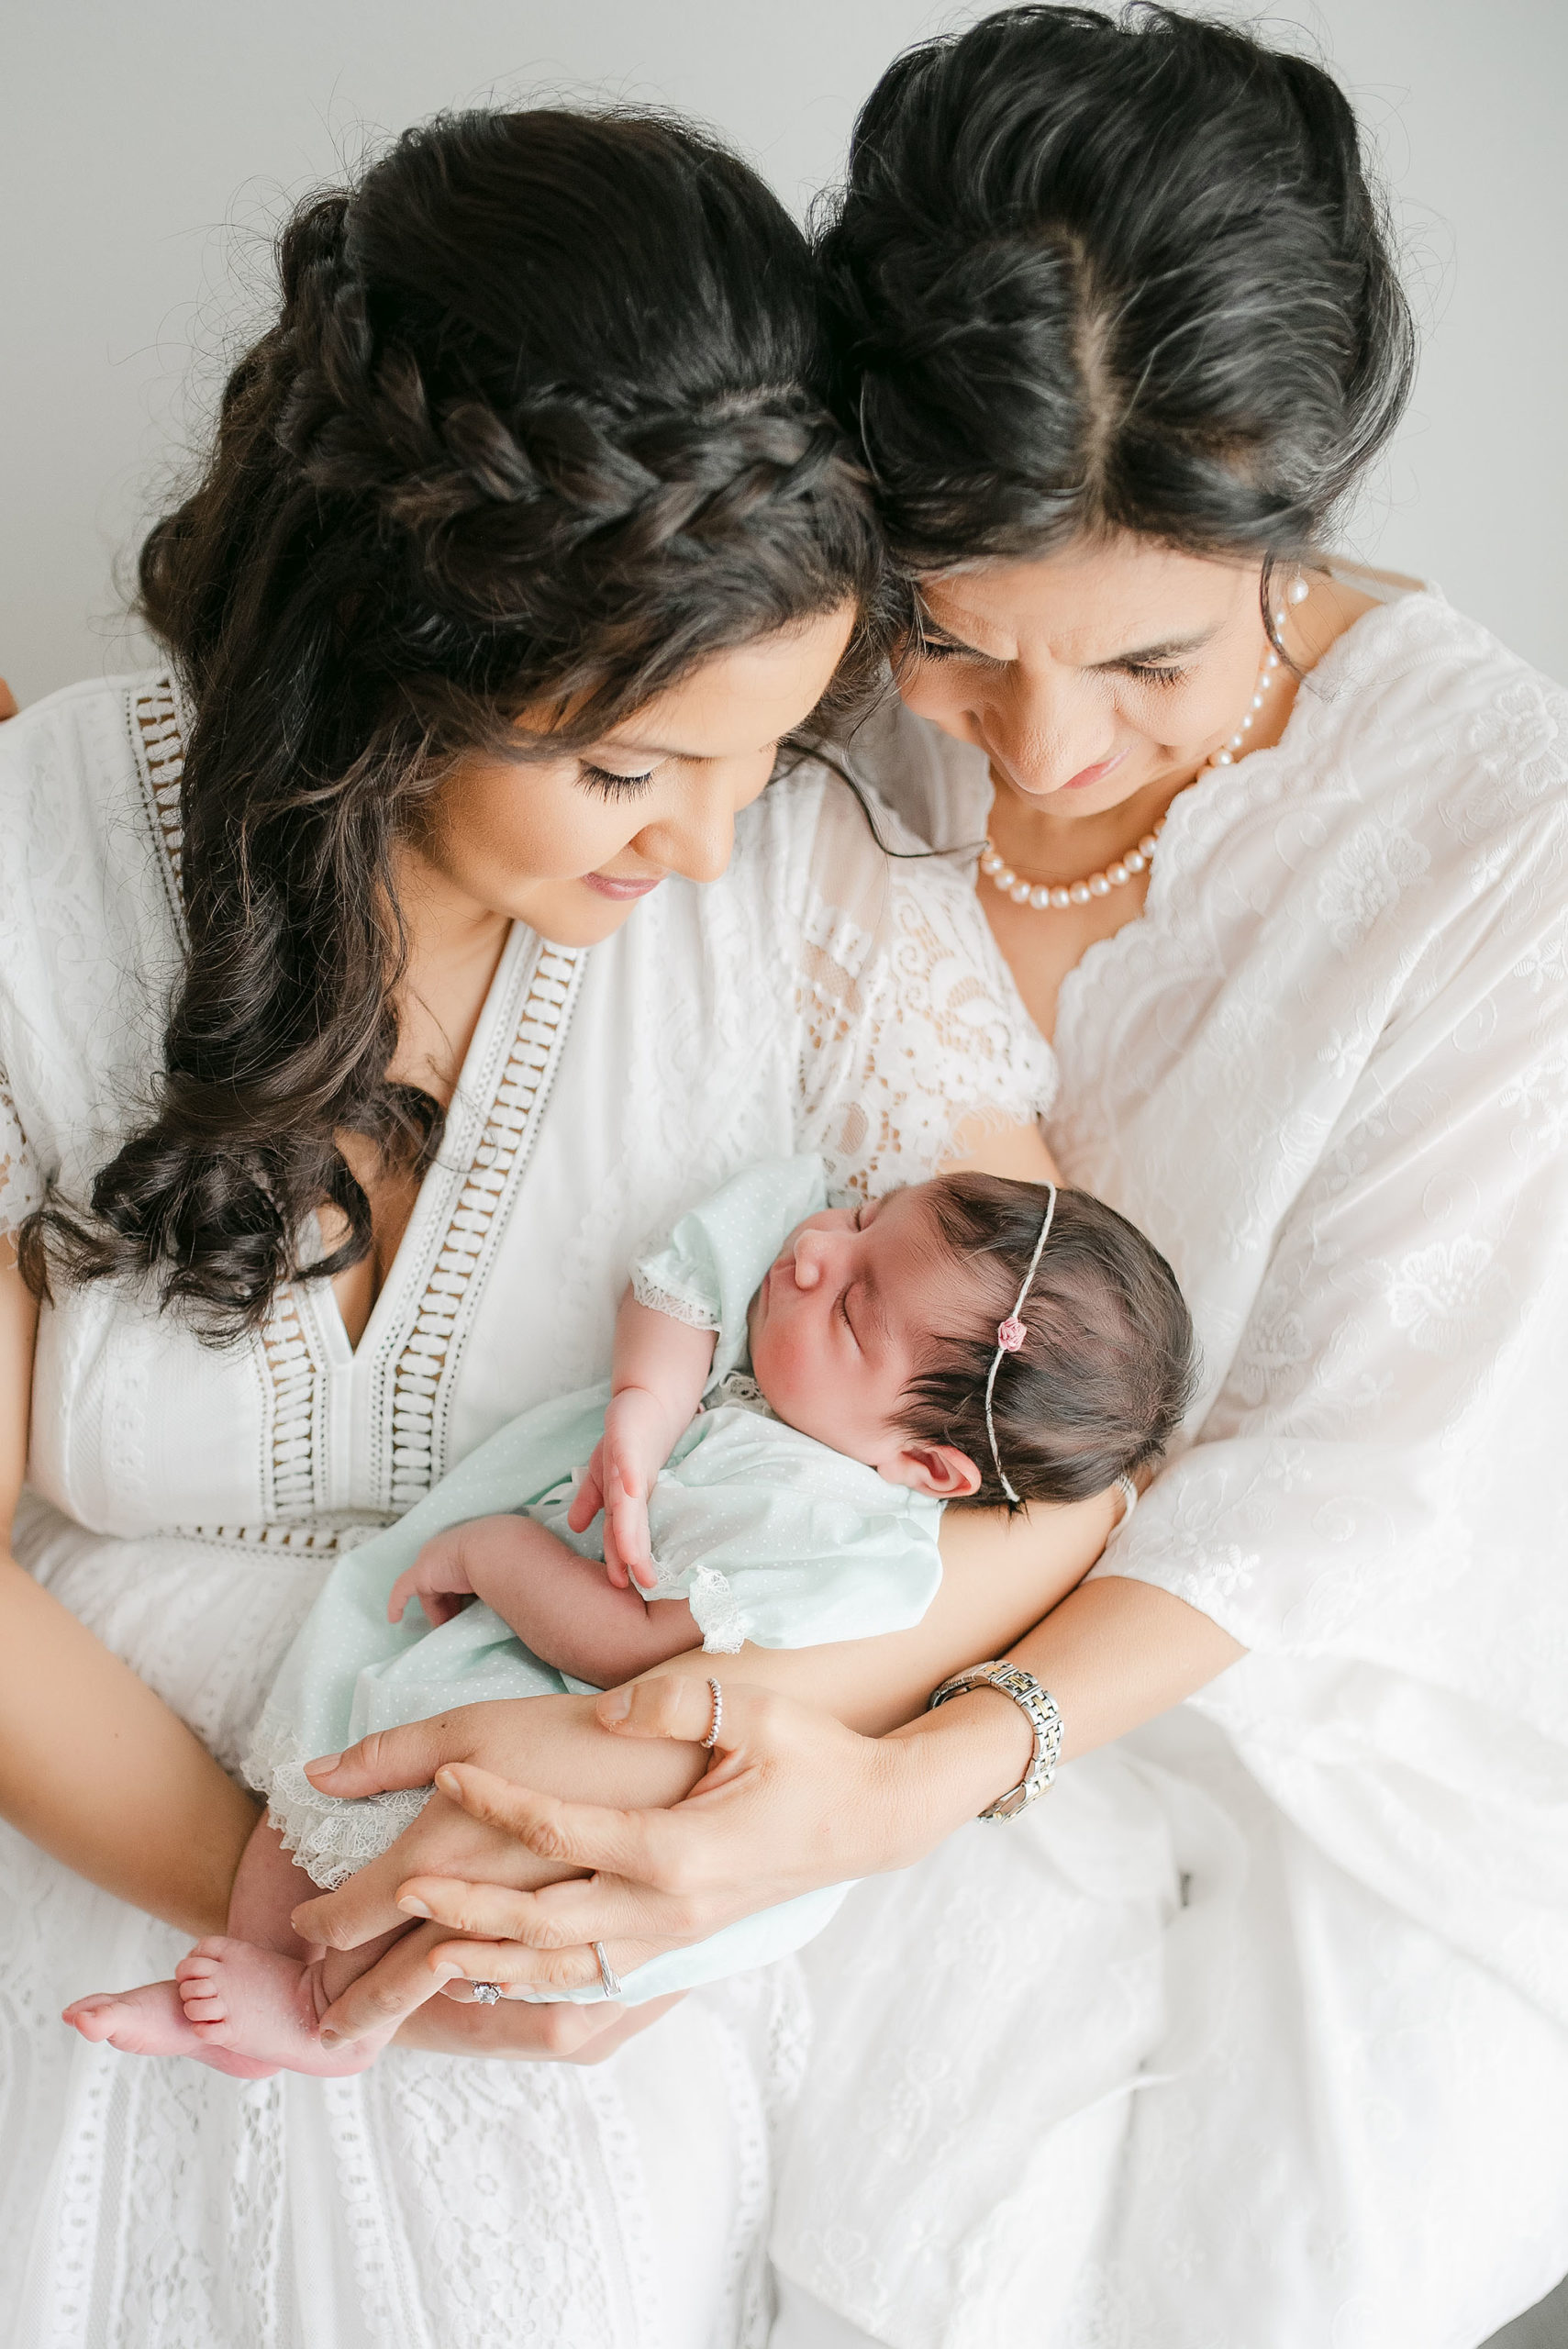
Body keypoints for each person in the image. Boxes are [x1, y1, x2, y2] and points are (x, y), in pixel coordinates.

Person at [289, 15, 1568, 2347]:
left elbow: (1358, 1486)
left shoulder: (1500, 848)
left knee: (1227, 2252)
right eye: (963, 654)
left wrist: (907, 1777)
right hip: (772, 1580)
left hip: (1268, 1684)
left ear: (1304, 510)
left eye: (1157, 659)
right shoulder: (779, 667)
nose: (1049, 751)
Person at [0, 104, 1119, 2347]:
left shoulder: (803, 903)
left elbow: (1045, 1464)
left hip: (608, 1894)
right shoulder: (38, 869)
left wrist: (702, 1789)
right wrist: (322, 1903)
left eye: (764, 745)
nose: (705, 848)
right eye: (627, 768)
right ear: (386, 649)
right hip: (95, 1845)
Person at [62, 1153, 1194, 2076]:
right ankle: (270, 1978)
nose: (811, 1253)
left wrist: (498, 1555)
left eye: (850, 1305)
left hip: (571, 1692)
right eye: (859, 1214)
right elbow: (681, 1287)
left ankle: (322, 2021)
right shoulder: (793, 1359)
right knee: (313, 1785)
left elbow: (631, 1646)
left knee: (376, 1794)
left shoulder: (833, 1536)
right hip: (521, 1660)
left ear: (924, 1467)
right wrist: (645, 1413)